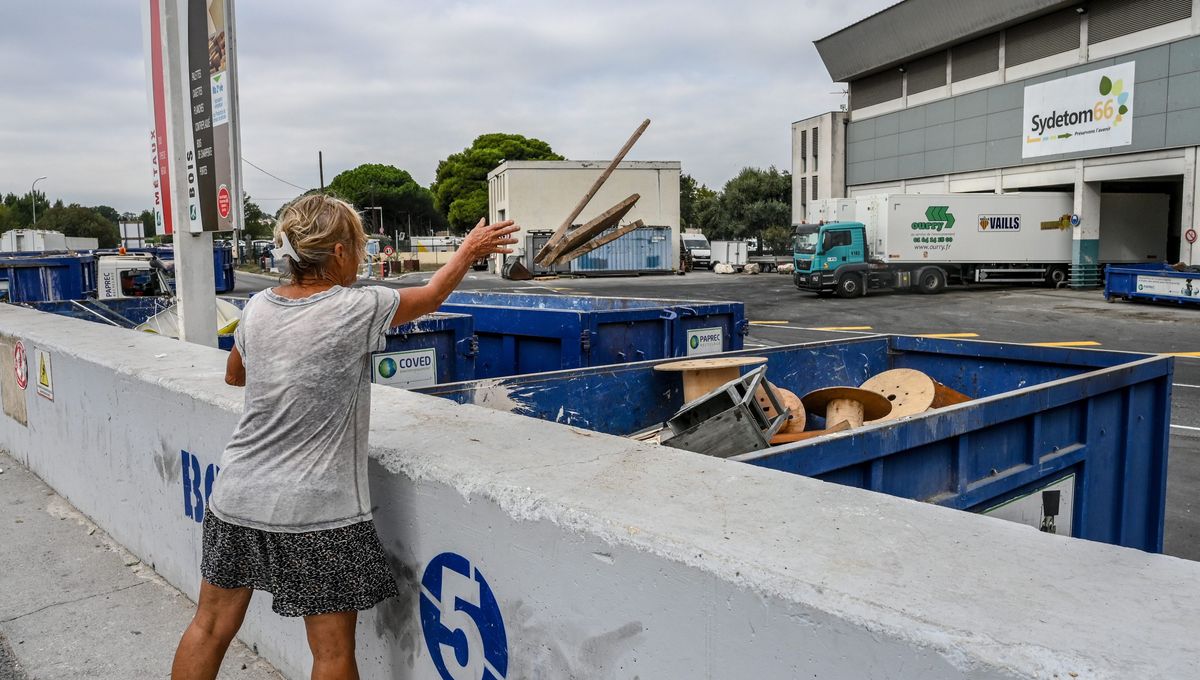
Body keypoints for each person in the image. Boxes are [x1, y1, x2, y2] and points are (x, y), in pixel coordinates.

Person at [170, 194, 518, 680]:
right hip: (319, 511)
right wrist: (468, 249)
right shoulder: (358, 307)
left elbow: (235, 374)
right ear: (337, 253)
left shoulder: (256, 309)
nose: (363, 258)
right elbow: (434, 295)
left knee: (209, 627)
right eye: (358, 246)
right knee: (331, 654)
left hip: (237, 495)